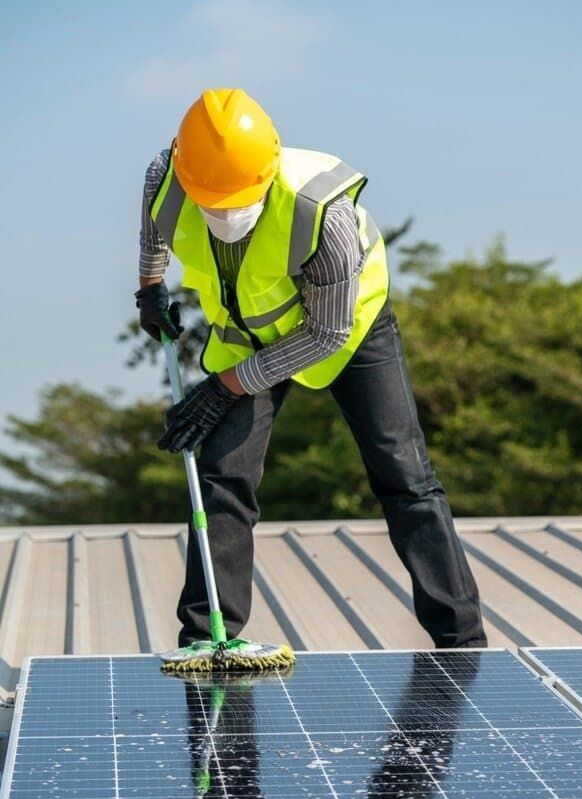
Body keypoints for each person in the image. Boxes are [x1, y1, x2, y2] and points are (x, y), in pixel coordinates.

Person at [136, 87, 487, 653]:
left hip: (350, 332)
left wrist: (229, 385)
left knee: (404, 477)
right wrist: (149, 287)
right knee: (222, 478)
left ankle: (463, 641)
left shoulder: (323, 213)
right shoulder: (167, 176)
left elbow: (326, 334)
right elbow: (156, 226)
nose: (225, 213)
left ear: (268, 169)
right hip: (244, 334)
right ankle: (206, 639)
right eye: (212, 201)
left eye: (238, 199)